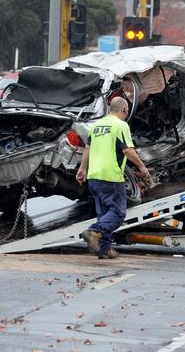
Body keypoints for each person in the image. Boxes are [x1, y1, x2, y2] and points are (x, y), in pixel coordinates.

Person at [76, 97, 152, 259]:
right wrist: (141, 166)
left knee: (104, 214)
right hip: (111, 176)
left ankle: (104, 250)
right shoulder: (120, 125)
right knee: (117, 214)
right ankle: (94, 231)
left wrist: (82, 169)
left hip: (94, 176)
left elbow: (87, 149)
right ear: (124, 110)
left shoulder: (95, 126)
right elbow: (127, 150)